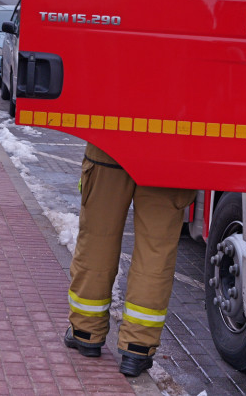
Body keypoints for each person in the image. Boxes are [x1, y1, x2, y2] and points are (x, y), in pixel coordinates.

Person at [63, 143, 195, 378]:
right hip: (172, 152)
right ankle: (137, 347)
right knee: (155, 253)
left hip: (109, 144)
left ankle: (86, 332)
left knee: (97, 241)